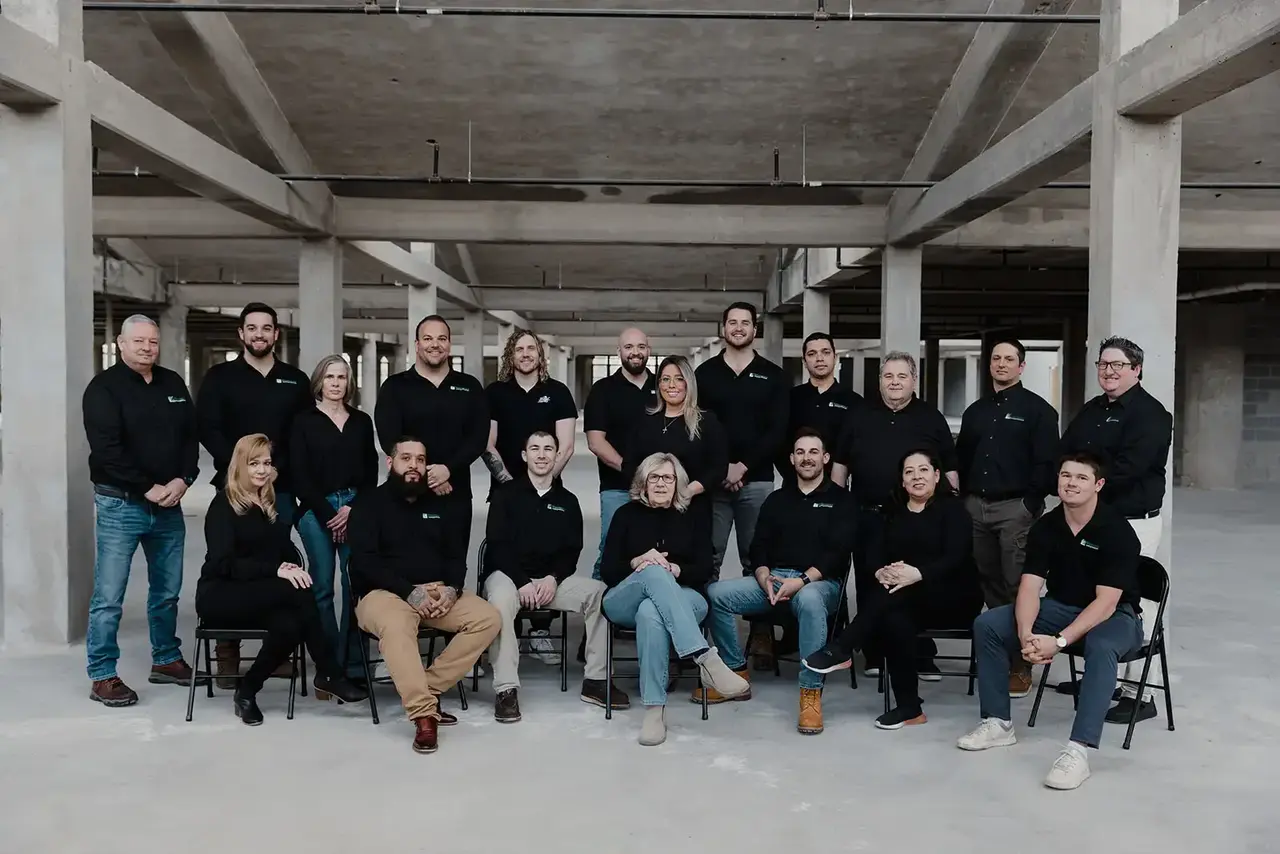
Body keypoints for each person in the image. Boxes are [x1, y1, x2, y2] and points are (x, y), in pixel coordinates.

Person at [957, 451, 1143, 791]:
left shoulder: (1116, 530)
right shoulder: (1047, 526)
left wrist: (1058, 642)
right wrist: (1027, 635)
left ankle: (1078, 751)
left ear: (1099, 484)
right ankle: (998, 722)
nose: (1071, 483)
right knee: (989, 625)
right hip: (1060, 608)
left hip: (1116, 616)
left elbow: (1106, 603)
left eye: (1081, 477)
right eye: (1065, 475)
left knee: (1101, 646)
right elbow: (1030, 586)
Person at [805, 449, 981, 730]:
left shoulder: (954, 510)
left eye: (923, 470)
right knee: (894, 618)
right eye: (909, 472)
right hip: (906, 600)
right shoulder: (892, 513)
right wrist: (880, 571)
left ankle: (842, 647)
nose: (916, 477)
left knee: (893, 598)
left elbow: (956, 558)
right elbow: (874, 554)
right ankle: (910, 708)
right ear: (902, 480)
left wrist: (917, 574)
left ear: (937, 475)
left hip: (953, 597)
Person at [196, 434, 367, 725]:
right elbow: (222, 564)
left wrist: (287, 564)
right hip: (220, 594)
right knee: (298, 591)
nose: (262, 470)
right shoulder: (224, 504)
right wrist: (275, 570)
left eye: (266, 463)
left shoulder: (267, 503)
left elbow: (282, 551)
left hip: (258, 592)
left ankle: (247, 692)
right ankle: (330, 674)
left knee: (290, 625)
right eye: (254, 464)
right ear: (240, 465)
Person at [348, 437, 501, 755]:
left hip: (435, 591)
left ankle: (425, 687)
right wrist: (409, 592)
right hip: (383, 594)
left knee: (488, 618)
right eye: (406, 458)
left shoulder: (441, 502)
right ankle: (423, 715)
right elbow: (364, 562)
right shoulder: (369, 503)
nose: (414, 465)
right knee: (396, 626)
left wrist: (452, 589)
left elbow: (455, 556)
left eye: (420, 459)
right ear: (390, 463)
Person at [82, 314, 200, 706]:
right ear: (121, 343)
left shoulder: (172, 383)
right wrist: (148, 488)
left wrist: (184, 479)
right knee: (109, 596)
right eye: (139, 341)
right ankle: (102, 674)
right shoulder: (103, 389)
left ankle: (165, 659)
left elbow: (190, 436)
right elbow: (107, 451)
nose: (147, 347)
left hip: (169, 504)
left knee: (167, 591)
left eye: (153, 341)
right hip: (122, 504)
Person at [704, 428, 854, 734]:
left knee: (809, 600)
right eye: (800, 452)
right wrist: (762, 575)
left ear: (826, 458)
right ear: (791, 459)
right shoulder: (777, 499)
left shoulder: (842, 500)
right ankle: (736, 675)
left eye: (813, 452)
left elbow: (838, 554)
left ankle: (810, 692)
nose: (807, 458)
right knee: (715, 593)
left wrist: (802, 581)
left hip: (819, 584)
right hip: (774, 580)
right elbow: (759, 545)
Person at [197, 302, 312, 688]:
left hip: (281, 489)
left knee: (275, 558)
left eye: (266, 328)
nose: (258, 334)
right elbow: (208, 428)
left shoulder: (295, 380)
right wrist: (242, 468)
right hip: (232, 486)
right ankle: (227, 655)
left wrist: (278, 473)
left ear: (276, 334)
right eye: (251, 328)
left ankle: (274, 652)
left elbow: (301, 434)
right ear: (241, 334)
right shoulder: (220, 377)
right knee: (232, 560)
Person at [1059, 336, 1172, 724]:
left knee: (1136, 602)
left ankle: (1141, 693)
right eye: (1103, 365)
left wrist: (1085, 485)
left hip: (1133, 520)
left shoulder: (1152, 414)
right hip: (1095, 518)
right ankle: (1102, 678)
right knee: (1095, 593)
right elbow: (1068, 451)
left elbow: (1130, 468)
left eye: (1118, 365)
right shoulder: (1092, 410)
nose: (1109, 371)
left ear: (1136, 370)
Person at [600, 453, 749, 746]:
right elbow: (608, 571)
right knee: (652, 571)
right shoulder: (625, 515)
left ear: (677, 483)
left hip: (686, 596)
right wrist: (638, 562)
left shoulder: (692, 517)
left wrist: (676, 569)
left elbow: (705, 569)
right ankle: (705, 658)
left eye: (667, 478)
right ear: (643, 483)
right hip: (624, 599)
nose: (660, 483)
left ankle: (654, 712)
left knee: (650, 612)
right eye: (654, 477)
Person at [481, 431, 629, 721]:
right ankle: (506, 689)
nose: (541, 455)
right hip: (508, 577)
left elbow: (571, 551)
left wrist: (553, 578)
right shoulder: (505, 496)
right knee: (500, 600)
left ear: (557, 456)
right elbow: (497, 546)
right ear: (524, 456)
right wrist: (522, 581)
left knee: (599, 593)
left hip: (549, 582)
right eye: (535, 448)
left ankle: (597, 680)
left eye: (548, 449)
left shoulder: (568, 501)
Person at [831, 350, 958, 679]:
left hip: (918, 517)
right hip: (868, 515)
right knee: (872, 582)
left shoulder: (931, 417)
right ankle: (875, 654)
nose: (895, 382)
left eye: (902, 376)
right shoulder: (859, 415)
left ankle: (922, 653)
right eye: (889, 376)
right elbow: (841, 464)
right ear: (880, 381)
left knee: (916, 583)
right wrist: (837, 506)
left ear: (914, 380)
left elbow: (949, 467)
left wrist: (950, 508)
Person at [956, 338, 1059, 697]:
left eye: (1009, 359)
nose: (1001, 364)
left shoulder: (1039, 411)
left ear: (1021, 366)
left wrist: (1029, 504)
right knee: (989, 582)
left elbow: (1047, 464)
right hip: (976, 508)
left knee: (1019, 585)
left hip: (1015, 509)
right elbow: (962, 458)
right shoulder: (975, 412)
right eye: (996, 358)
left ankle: (1022, 661)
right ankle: (1002, 648)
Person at [483, 328, 578, 664]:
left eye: (531, 349)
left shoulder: (558, 392)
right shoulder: (495, 393)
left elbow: (566, 444)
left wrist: (543, 480)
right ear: (511, 356)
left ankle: (540, 631)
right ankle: (504, 631)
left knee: (547, 554)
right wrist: (512, 484)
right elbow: (487, 443)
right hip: (505, 490)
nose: (525, 354)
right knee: (503, 551)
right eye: (519, 349)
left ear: (540, 355)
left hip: (549, 491)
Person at [290, 354, 379, 685]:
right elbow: (300, 477)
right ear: (319, 381)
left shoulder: (361, 421)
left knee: (356, 586)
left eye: (342, 377)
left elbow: (371, 474)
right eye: (330, 377)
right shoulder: (303, 421)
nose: (336, 383)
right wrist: (331, 516)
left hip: (355, 507)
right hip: (317, 510)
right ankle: (329, 665)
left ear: (349, 382)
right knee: (322, 588)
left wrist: (351, 510)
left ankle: (354, 663)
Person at [374, 315, 488, 553]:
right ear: (417, 345)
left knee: (453, 564)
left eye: (441, 338)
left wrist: (448, 469)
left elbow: (478, 438)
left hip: (455, 493)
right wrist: (427, 474)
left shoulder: (469, 386)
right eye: (427, 338)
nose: (435, 344)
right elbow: (390, 439)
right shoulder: (394, 387)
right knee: (405, 561)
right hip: (407, 491)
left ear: (449, 344)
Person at [695, 302, 788, 581]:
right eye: (732, 322)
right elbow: (697, 426)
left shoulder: (774, 375)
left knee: (757, 559)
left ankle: (757, 612)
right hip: (713, 481)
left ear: (754, 330)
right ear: (723, 329)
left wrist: (743, 466)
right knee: (707, 557)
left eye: (745, 322)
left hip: (758, 481)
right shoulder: (704, 374)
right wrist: (723, 467)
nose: (738, 328)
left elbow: (777, 430)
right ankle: (703, 610)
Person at [584, 327, 658, 581]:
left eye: (641, 347)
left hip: (661, 488)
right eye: (629, 347)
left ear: (649, 350)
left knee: (657, 551)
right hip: (617, 487)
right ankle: (599, 604)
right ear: (618, 352)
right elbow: (596, 441)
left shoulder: (663, 386)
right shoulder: (603, 389)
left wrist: (657, 477)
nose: (635, 352)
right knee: (611, 551)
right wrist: (634, 472)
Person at [621, 355, 728, 523]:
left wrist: (687, 492)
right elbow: (629, 464)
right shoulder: (644, 421)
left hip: (692, 510)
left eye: (679, 379)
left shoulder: (707, 422)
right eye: (665, 379)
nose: (671, 385)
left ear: (688, 383)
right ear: (659, 385)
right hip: (647, 508)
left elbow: (718, 468)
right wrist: (650, 491)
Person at [779, 332, 862, 484]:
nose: (819, 358)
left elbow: (856, 448)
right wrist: (793, 477)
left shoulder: (854, 402)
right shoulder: (791, 398)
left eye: (825, 352)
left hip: (836, 486)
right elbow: (779, 442)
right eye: (812, 354)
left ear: (835, 357)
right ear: (804, 361)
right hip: (794, 486)